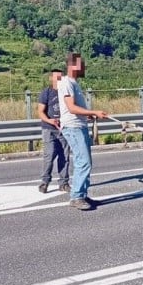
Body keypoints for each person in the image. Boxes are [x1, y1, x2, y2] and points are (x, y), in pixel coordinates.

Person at [57, 52, 109, 210]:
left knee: (86, 162)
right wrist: (93, 112)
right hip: (73, 127)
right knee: (83, 162)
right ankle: (77, 197)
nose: (84, 67)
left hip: (79, 125)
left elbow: (76, 109)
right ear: (73, 66)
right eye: (81, 64)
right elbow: (71, 108)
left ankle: (83, 194)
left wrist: (88, 117)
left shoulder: (74, 83)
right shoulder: (66, 83)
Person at [37, 68, 71, 194]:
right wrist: (50, 121)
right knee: (49, 155)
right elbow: (40, 111)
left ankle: (64, 183)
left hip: (64, 128)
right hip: (49, 129)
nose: (59, 80)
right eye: (57, 77)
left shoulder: (66, 92)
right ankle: (45, 182)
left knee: (65, 157)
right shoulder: (46, 92)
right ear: (51, 78)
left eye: (61, 77)